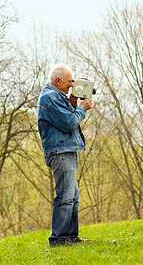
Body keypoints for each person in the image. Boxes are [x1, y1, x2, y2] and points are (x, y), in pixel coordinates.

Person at [37, 64, 92, 246]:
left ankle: (70, 236)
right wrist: (82, 108)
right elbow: (69, 122)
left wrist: (73, 101)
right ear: (58, 81)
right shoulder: (50, 98)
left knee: (73, 196)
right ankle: (59, 239)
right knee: (65, 197)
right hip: (60, 152)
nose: (72, 85)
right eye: (70, 82)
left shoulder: (56, 96)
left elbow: (67, 114)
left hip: (66, 150)